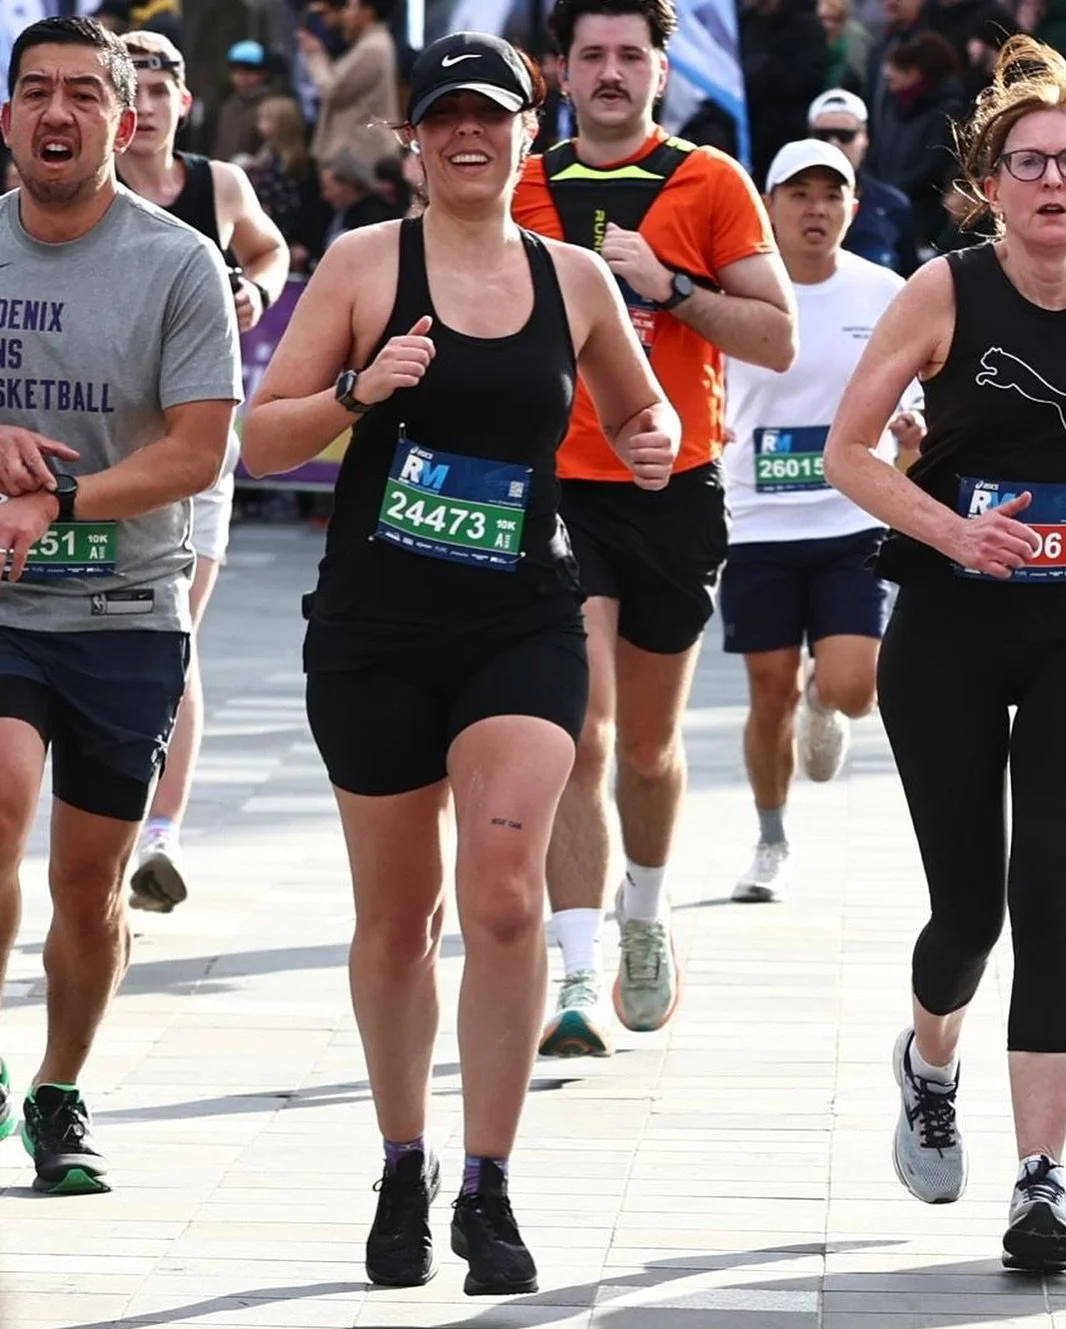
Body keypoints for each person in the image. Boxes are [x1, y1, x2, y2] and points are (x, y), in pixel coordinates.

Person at [241, 31, 679, 1296]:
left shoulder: (575, 279)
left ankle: (489, 1186)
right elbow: (266, 444)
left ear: (524, 135)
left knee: (499, 894)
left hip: (519, 620)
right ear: (415, 143)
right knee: (397, 919)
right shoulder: (370, 263)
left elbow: (640, 409)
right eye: (445, 120)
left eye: (492, 115)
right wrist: (360, 392)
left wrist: (648, 446)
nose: (469, 135)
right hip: (377, 631)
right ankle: (401, 1160)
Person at [512, 0, 796, 1057]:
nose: (611, 72)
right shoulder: (523, 185)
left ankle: (646, 911)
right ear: (558, 71)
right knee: (574, 737)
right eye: (591, 54)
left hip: (671, 490)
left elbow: (773, 333)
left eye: (631, 54)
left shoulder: (709, 183)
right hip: (558, 490)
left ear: (662, 72)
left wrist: (668, 288)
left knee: (644, 746)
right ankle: (578, 969)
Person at [824, 33, 1066, 1272]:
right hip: (952, 628)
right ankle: (929, 1063)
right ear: (992, 179)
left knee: (1055, 903)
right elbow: (849, 452)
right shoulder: (944, 289)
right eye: (1029, 162)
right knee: (967, 910)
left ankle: (1042, 1181)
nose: (1053, 182)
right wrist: (953, 530)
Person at [0, 16, 240, 1192]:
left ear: (125, 117)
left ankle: (57, 1089)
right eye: (35, 92)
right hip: (1, 603)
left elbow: (199, 453)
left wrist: (60, 498)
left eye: (84, 95)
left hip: (125, 607)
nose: (59, 114)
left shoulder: (179, 262)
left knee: (87, 885)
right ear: (6, 117)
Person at [722, 138, 924, 903]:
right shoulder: (735, 292)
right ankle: (770, 839)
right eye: (798, 194)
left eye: (830, 195)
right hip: (757, 522)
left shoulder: (884, 291)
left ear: (853, 207)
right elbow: (700, 385)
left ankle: (822, 698)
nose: (815, 209)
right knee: (766, 691)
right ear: (769, 207)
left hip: (851, 514)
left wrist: (912, 430)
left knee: (854, 686)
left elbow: (919, 388)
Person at [116, 28, 289, 913]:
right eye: (130, 90)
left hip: (199, 450)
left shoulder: (219, 185)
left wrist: (255, 288)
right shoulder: (74, 190)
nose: (143, 108)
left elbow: (270, 248)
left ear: (184, 103)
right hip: (99, 451)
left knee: (173, 636)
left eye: (158, 92)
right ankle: (104, 815)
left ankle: (158, 837)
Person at [808, 87, 920, 274]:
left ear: (864, 138)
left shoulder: (893, 205)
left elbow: (912, 278)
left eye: (845, 135)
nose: (834, 144)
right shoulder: (786, 203)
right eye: (823, 135)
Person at [299, 0, 399, 172]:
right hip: (354, 151)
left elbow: (332, 91)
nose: (346, 14)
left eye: (350, 7)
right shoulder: (366, 45)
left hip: (361, 153)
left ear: (368, 12)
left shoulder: (373, 48)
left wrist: (316, 56)